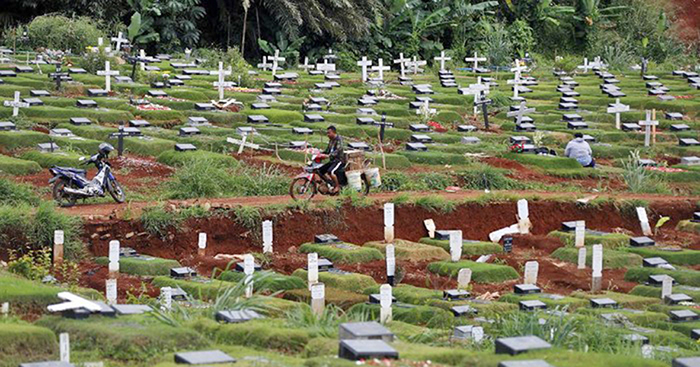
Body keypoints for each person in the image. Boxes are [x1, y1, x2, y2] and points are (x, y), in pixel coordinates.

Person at [320, 125, 346, 193]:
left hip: (339, 160)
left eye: (329, 133)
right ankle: (330, 183)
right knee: (320, 171)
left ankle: (337, 187)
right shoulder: (331, 141)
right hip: (332, 160)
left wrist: (329, 155)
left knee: (331, 172)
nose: (327, 134)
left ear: (333, 132)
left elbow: (338, 150)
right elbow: (327, 150)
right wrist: (320, 153)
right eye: (327, 133)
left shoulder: (339, 139)